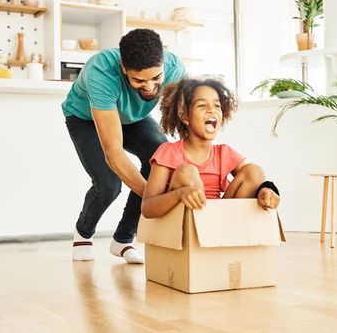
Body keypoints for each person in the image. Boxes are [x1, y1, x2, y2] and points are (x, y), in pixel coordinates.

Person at [62, 29, 187, 263]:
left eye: (156, 78)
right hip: (85, 118)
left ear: (163, 63)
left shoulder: (175, 68)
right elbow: (113, 152)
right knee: (109, 185)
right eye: (139, 80)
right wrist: (154, 199)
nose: (150, 87)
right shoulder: (100, 72)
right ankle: (83, 232)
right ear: (123, 68)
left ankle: (122, 240)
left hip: (132, 118)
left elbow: (184, 123)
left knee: (161, 156)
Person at [141, 78, 280, 219]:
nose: (212, 110)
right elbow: (147, 208)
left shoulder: (224, 153)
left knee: (254, 170)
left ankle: (228, 235)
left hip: (219, 222)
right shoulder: (168, 152)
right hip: (183, 225)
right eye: (202, 106)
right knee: (187, 171)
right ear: (184, 116)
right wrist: (180, 194)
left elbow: (254, 179)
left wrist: (266, 190)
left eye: (217, 106)